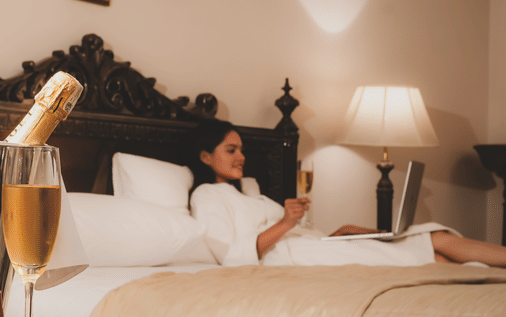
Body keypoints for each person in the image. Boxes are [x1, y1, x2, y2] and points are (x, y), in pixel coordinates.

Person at [188, 118, 506, 268]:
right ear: (205, 157)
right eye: (231, 150)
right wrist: (287, 223)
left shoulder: (252, 196)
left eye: (241, 149)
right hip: (293, 257)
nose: (241, 157)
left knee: (429, 236)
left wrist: (336, 234)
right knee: (431, 253)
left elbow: (298, 230)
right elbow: (232, 257)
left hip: (315, 246)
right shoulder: (206, 197)